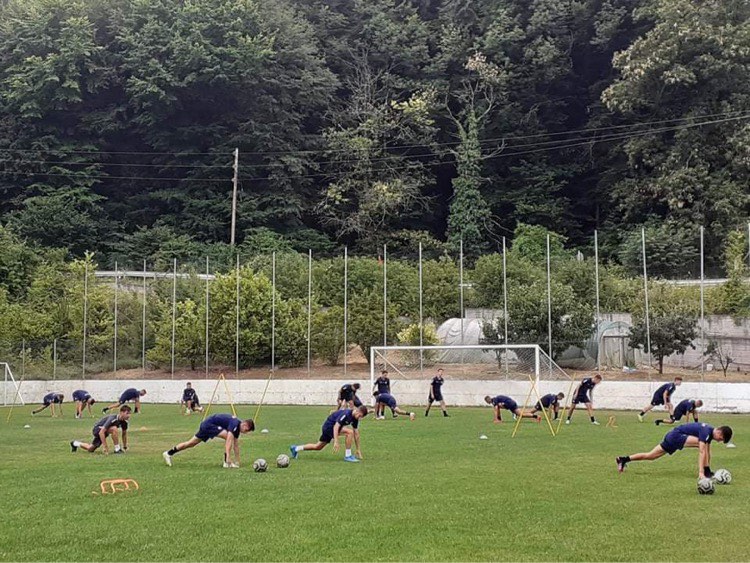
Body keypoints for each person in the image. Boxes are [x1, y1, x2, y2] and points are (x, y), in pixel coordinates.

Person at [616, 422, 733, 479]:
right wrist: (701, 473)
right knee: (702, 445)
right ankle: (704, 472)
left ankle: (623, 459)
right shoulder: (706, 432)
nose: (719, 441)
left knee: (650, 456)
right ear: (719, 432)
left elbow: (707, 452)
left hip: (672, 436)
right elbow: (702, 452)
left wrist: (708, 470)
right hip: (676, 436)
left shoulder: (709, 433)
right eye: (721, 439)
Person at [163, 413, 255, 468]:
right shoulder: (235, 424)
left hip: (207, 425)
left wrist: (238, 461)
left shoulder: (237, 429)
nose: (246, 432)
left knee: (191, 443)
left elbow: (236, 445)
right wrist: (228, 457)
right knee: (228, 437)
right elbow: (229, 441)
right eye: (246, 430)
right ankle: (226, 462)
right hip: (209, 424)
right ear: (244, 424)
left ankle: (168, 453)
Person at [289, 406, 368, 463]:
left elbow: (356, 434)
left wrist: (358, 449)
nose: (359, 418)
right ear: (357, 411)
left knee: (318, 447)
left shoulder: (355, 418)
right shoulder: (346, 414)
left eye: (361, 417)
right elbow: (336, 426)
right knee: (349, 432)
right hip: (329, 427)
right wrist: (336, 441)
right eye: (359, 416)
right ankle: (348, 456)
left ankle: (296, 448)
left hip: (331, 427)